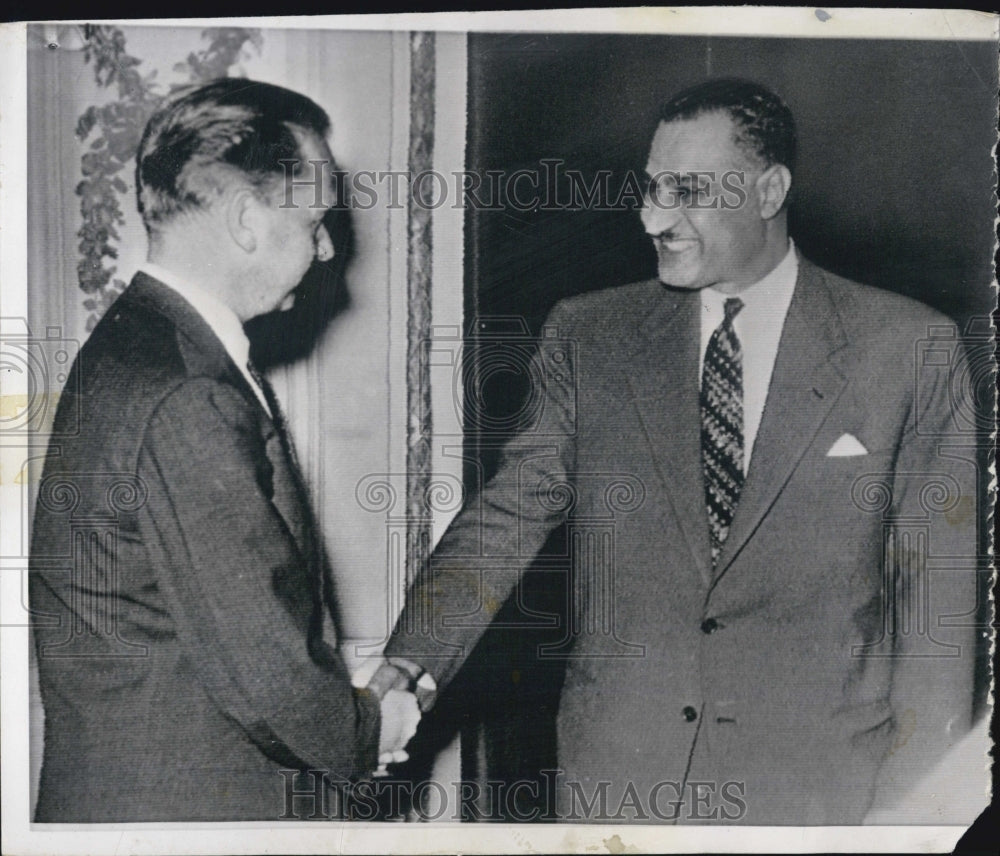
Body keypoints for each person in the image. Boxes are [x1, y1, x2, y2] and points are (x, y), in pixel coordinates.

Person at [370, 78, 981, 824]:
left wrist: (914, 817)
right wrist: (412, 660)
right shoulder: (591, 336)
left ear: (769, 190)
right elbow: (507, 517)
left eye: (687, 189)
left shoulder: (907, 348)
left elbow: (936, 620)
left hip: (819, 795)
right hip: (622, 789)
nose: (654, 217)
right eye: (652, 187)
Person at [30, 78, 417, 822]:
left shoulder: (139, 344)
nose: (328, 246)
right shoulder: (187, 392)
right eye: (315, 221)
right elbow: (266, 680)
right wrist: (372, 727)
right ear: (246, 219)